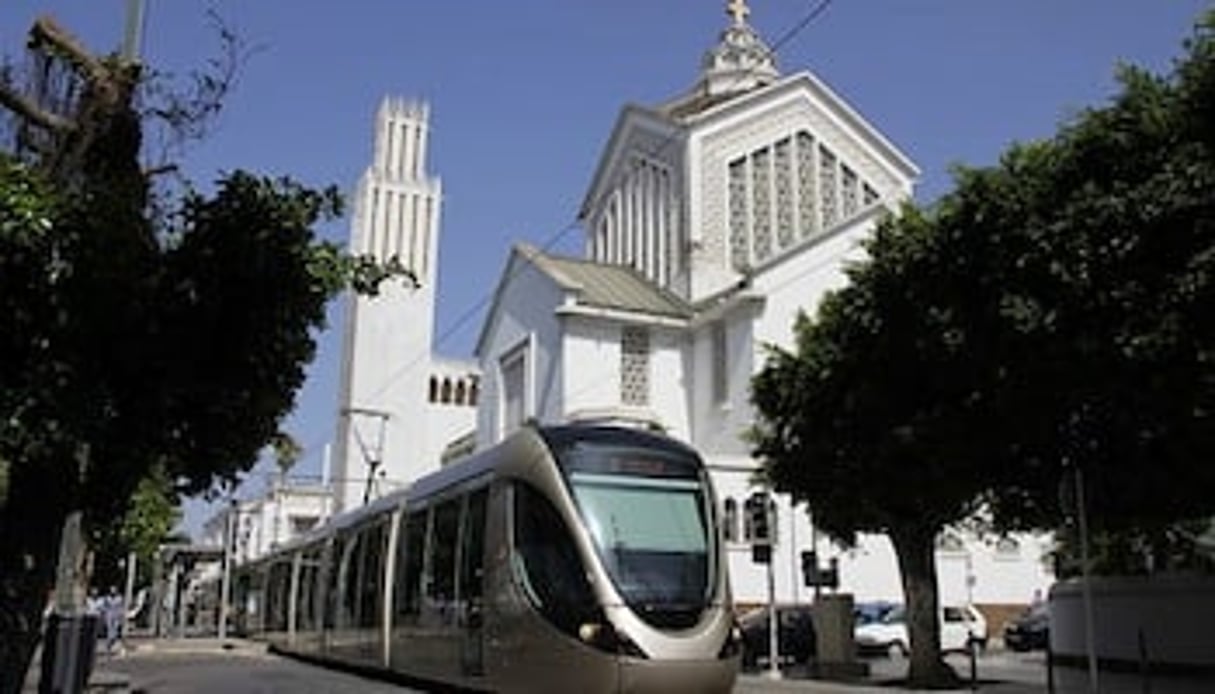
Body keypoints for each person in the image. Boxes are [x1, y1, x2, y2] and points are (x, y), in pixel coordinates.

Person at [103, 586, 124, 656]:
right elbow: (105, 607)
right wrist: (105, 615)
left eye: (114, 590)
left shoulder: (119, 598)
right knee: (109, 630)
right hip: (109, 616)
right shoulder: (107, 598)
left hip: (116, 616)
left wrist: (121, 616)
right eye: (112, 590)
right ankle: (108, 646)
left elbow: (121, 608)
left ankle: (111, 642)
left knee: (115, 631)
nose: (113, 592)